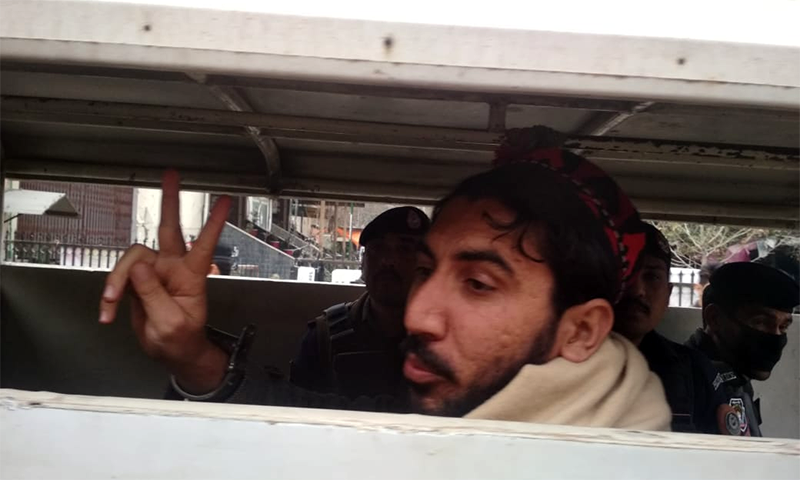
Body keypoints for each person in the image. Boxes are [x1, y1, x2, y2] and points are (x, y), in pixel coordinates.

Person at [98, 128, 671, 430]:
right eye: (426, 270)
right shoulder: (446, 411)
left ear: (580, 331)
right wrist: (188, 354)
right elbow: (307, 420)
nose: (419, 313)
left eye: (477, 283)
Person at [289, 207, 430, 398]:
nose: (388, 261)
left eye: (405, 249)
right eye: (377, 249)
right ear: (362, 265)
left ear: (428, 267)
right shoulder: (323, 337)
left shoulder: (450, 342)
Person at [614, 223, 732, 434]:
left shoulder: (694, 372)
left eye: (652, 277)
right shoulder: (555, 362)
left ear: (668, 294)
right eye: (625, 274)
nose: (637, 290)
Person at [686, 261, 799, 436]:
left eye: (783, 327)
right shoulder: (688, 381)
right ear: (714, 318)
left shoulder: (735, 377)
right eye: (761, 322)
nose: (775, 337)